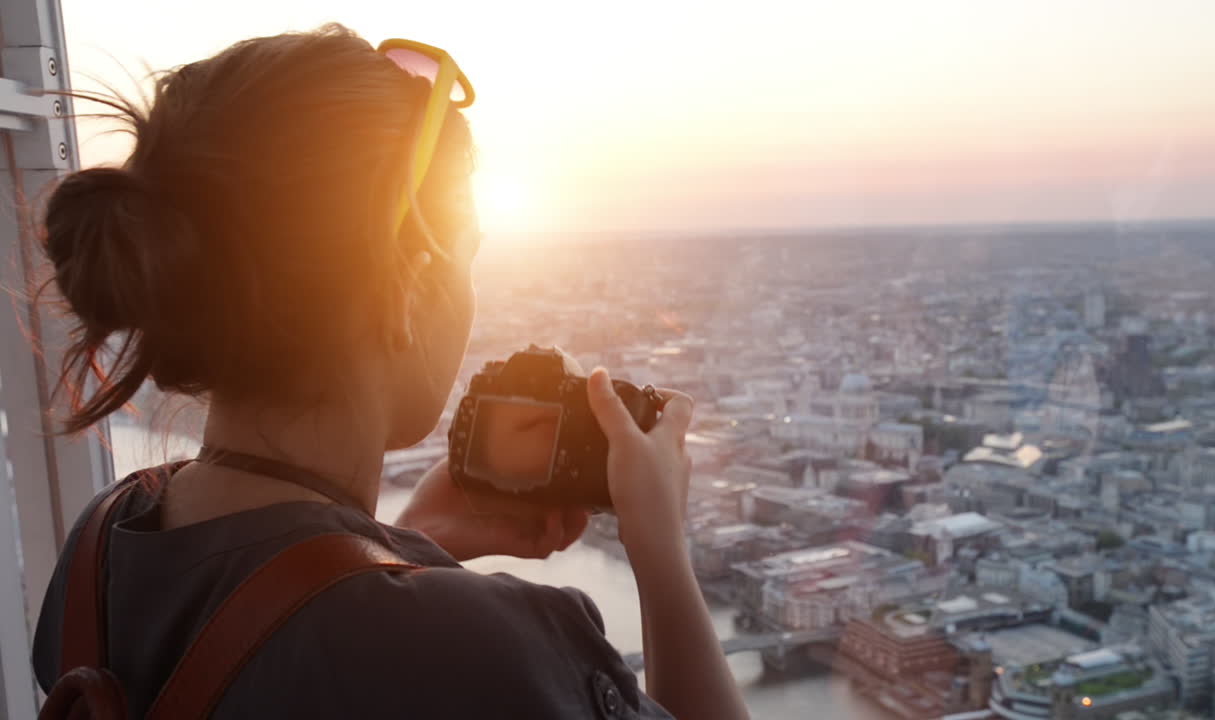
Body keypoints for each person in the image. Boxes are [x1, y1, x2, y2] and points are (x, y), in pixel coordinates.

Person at [31, 24, 750, 720]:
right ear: (411, 283)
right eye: (469, 256)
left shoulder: (100, 546)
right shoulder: (482, 651)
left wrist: (399, 539)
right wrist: (661, 555)